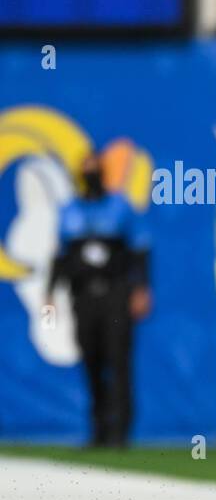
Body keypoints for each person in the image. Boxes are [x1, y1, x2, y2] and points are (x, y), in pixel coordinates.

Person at [46, 151, 151, 446]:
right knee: (90, 357)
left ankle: (121, 430)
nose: (90, 175)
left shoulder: (120, 207)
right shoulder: (69, 211)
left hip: (116, 293)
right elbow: (60, 257)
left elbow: (140, 249)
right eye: (85, 170)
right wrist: (49, 292)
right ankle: (99, 427)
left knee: (118, 359)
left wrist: (141, 288)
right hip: (83, 294)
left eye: (95, 169)